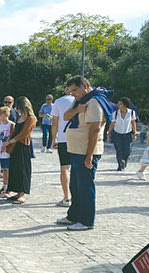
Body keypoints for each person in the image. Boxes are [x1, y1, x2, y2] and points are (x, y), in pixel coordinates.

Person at [57, 76, 114, 231]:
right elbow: (66, 116)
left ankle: (86, 221)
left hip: (86, 152)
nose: (72, 94)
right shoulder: (80, 101)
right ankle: (74, 216)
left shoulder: (94, 102)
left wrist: (89, 156)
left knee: (85, 186)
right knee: (74, 185)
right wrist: (77, 109)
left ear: (84, 85)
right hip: (75, 150)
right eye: (69, 91)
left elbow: (95, 129)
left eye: (74, 90)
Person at [3, 97, 37, 205]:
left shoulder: (31, 118)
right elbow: (15, 131)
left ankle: (22, 194)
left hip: (23, 146)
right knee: (15, 169)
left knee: (22, 170)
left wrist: (10, 141)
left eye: (19, 107)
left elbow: (23, 134)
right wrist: (8, 141)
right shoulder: (20, 117)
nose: (17, 110)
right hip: (15, 146)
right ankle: (17, 192)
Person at [51, 88, 75, 207]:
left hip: (63, 138)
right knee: (76, 167)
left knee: (64, 168)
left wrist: (53, 138)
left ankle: (67, 197)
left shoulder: (58, 102)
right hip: (78, 138)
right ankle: (77, 196)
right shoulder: (82, 100)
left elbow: (54, 123)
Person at [108, 97, 137, 171]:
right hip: (117, 134)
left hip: (127, 133)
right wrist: (109, 132)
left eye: (120, 104)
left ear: (125, 105)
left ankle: (124, 161)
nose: (118, 105)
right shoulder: (115, 113)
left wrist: (135, 133)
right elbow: (112, 124)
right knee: (119, 150)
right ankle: (120, 164)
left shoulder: (131, 113)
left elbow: (133, 123)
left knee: (127, 151)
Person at [0, 106, 14, 196]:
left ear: (6, 115)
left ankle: (10, 187)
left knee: (9, 169)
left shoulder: (11, 125)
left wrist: (7, 145)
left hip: (8, 150)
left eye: (0, 116)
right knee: (4, 169)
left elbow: (12, 137)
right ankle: (4, 186)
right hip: (0, 150)